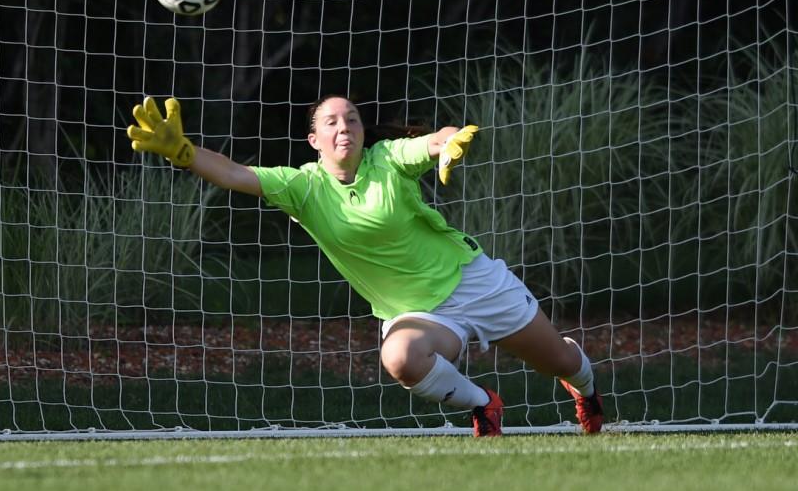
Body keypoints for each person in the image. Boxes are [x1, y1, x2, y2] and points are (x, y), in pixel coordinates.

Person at [126, 94, 603, 436]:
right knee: (399, 358)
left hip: (473, 281)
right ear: (314, 139)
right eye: (331, 122)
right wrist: (183, 153)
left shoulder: (387, 159)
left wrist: (449, 143)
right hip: (420, 313)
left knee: (560, 361)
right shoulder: (304, 188)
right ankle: (485, 406)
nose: (344, 128)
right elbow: (233, 173)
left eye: (351, 119)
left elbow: (433, 141)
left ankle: (586, 390)